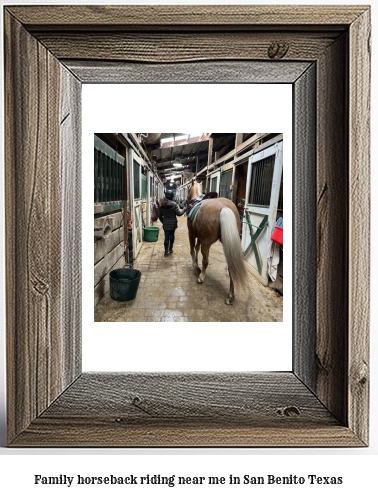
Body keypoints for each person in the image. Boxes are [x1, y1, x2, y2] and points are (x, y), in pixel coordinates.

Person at [158, 189, 185, 256]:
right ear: (172, 196)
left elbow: (160, 216)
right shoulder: (174, 204)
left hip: (166, 224)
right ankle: (170, 249)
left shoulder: (161, 204)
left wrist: (163, 222)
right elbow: (179, 214)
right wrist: (184, 209)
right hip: (173, 224)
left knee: (166, 237)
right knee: (172, 236)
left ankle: (166, 252)